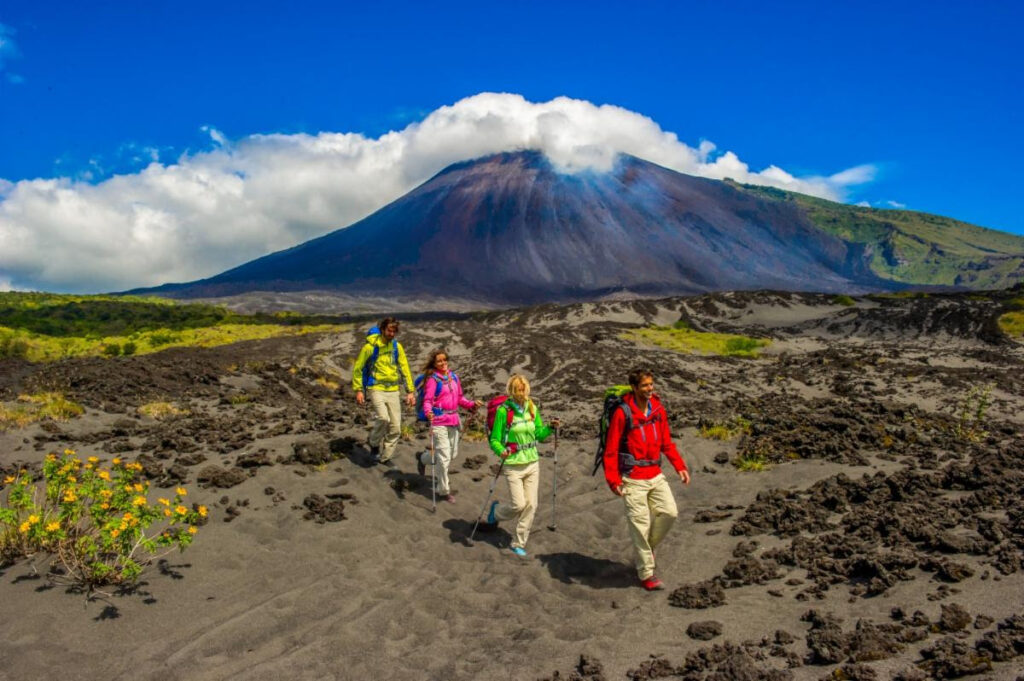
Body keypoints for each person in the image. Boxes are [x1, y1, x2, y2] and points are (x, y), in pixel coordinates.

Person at [603, 368, 690, 590]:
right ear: (634, 387)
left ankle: (647, 551)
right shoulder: (622, 413)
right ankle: (646, 575)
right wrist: (613, 480)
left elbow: (666, 443)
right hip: (632, 478)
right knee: (639, 528)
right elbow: (611, 450)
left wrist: (679, 466)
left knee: (670, 512)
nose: (649, 389)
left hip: (655, 474)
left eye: (651, 384)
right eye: (644, 385)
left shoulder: (658, 409)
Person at [486, 374, 560, 557]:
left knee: (531, 505)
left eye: (524, 388)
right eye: (518, 389)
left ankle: (519, 542)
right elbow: (494, 439)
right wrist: (500, 451)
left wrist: (550, 427)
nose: (522, 392)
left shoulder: (532, 407)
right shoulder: (503, 411)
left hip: (532, 461)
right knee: (518, 505)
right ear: (511, 390)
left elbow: (539, 435)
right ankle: (496, 512)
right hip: (513, 463)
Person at [415, 349, 482, 503]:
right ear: (434, 364)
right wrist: (428, 412)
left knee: (451, 455)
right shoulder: (433, 380)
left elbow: (460, 398)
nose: (443, 363)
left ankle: (423, 458)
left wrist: (472, 404)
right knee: (444, 458)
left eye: (444, 360)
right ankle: (443, 491)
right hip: (439, 421)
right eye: (439, 361)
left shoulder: (454, 377)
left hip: (454, 420)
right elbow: (427, 400)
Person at [352, 317, 415, 468]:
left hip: (393, 390)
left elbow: (404, 368)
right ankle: (374, 444)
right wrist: (359, 390)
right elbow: (358, 369)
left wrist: (410, 391)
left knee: (396, 427)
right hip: (376, 388)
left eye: (394, 331)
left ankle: (386, 457)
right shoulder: (370, 347)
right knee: (383, 417)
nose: (392, 334)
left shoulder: (397, 347)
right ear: (382, 329)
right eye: (389, 330)